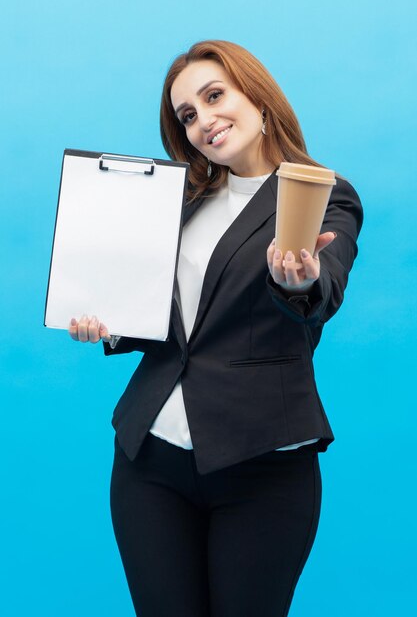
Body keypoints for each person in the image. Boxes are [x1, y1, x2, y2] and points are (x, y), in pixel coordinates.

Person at [68, 40, 363, 617]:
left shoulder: (321, 192)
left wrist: (297, 280)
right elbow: (163, 313)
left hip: (261, 467)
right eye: (188, 115)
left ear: (255, 92)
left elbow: (322, 289)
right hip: (149, 461)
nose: (204, 121)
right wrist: (107, 325)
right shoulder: (182, 201)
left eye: (213, 96)